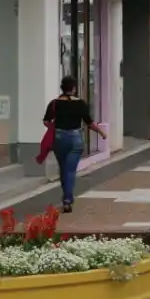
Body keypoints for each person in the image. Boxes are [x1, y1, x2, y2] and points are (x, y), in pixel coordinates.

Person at [42, 76, 105, 212]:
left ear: (62, 88)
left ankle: (66, 196)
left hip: (59, 138)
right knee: (70, 170)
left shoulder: (54, 103)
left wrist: (54, 127)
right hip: (75, 138)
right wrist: (101, 132)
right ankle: (67, 199)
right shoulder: (81, 103)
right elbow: (89, 123)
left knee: (63, 168)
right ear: (74, 89)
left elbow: (46, 121)